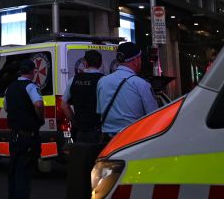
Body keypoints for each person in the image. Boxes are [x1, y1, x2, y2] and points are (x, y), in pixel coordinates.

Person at [96, 42, 158, 143]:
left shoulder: (102, 81)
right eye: (140, 58)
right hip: (132, 140)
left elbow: (99, 111)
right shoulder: (141, 84)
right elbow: (153, 115)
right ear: (136, 60)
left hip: (108, 142)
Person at [64, 51, 105, 199]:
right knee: (99, 169)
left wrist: (74, 121)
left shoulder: (74, 80)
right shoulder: (103, 81)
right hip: (98, 130)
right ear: (100, 63)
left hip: (80, 130)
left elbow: (64, 105)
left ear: (85, 63)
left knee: (80, 170)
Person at [4, 59, 44, 199]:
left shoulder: (10, 88)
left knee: (13, 171)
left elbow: (6, 107)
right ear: (33, 72)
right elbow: (38, 104)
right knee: (24, 173)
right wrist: (40, 118)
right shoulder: (31, 87)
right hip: (28, 137)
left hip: (14, 136)